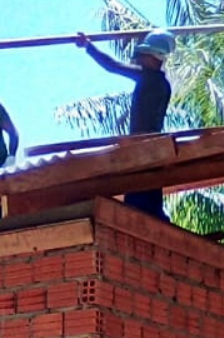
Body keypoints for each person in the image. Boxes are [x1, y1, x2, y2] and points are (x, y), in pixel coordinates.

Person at [76, 29, 174, 220]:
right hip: (151, 151)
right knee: (147, 199)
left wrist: (88, 46)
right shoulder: (162, 84)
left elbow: (113, 66)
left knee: (138, 203)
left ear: (156, 57)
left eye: (144, 55)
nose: (140, 59)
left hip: (142, 151)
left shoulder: (149, 79)